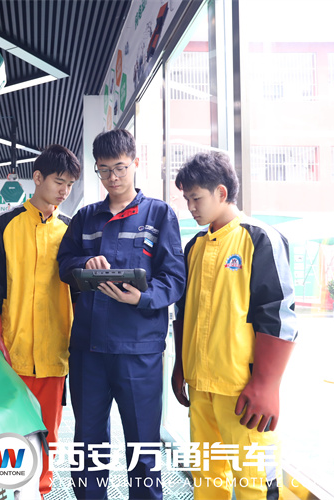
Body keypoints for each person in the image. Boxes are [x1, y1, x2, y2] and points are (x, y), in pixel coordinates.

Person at [57, 129, 185, 499]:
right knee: (88, 444)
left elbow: (174, 278)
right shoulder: (85, 218)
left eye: (120, 168)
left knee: (143, 445)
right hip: (89, 350)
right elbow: (64, 264)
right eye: (104, 170)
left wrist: (141, 298)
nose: (112, 177)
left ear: (135, 163)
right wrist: (84, 263)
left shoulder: (159, 215)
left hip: (138, 350)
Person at [171, 151, 297, 499]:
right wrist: (181, 366)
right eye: (186, 199)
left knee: (253, 483)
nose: (190, 207)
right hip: (201, 388)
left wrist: (267, 384)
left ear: (221, 193)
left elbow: (279, 314)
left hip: (244, 391)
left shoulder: (259, 238)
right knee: (207, 479)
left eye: (196, 198)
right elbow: (183, 312)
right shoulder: (194, 247)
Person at [0, 144, 81, 498]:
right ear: (37, 178)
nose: (64, 191)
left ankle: (42, 491)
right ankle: (10, 490)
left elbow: (79, 293)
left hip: (54, 357)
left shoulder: (71, 231)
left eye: (70, 185)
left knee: (48, 432)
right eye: (59, 182)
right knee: (8, 433)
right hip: (12, 354)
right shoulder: (5, 225)